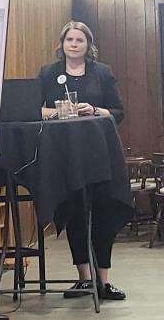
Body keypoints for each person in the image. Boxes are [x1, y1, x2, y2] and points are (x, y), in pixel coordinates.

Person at [36, 21, 131, 301]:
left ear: (88, 45)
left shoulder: (102, 73)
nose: (74, 44)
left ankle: (103, 281)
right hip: (63, 157)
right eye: (69, 39)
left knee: (103, 213)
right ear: (62, 43)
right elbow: (34, 108)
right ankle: (83, 279)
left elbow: (118, 111)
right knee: (74, 213)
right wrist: (53, 112)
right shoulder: (48, 74)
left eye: (79, 40)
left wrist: (95, 109)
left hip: (99, 157)